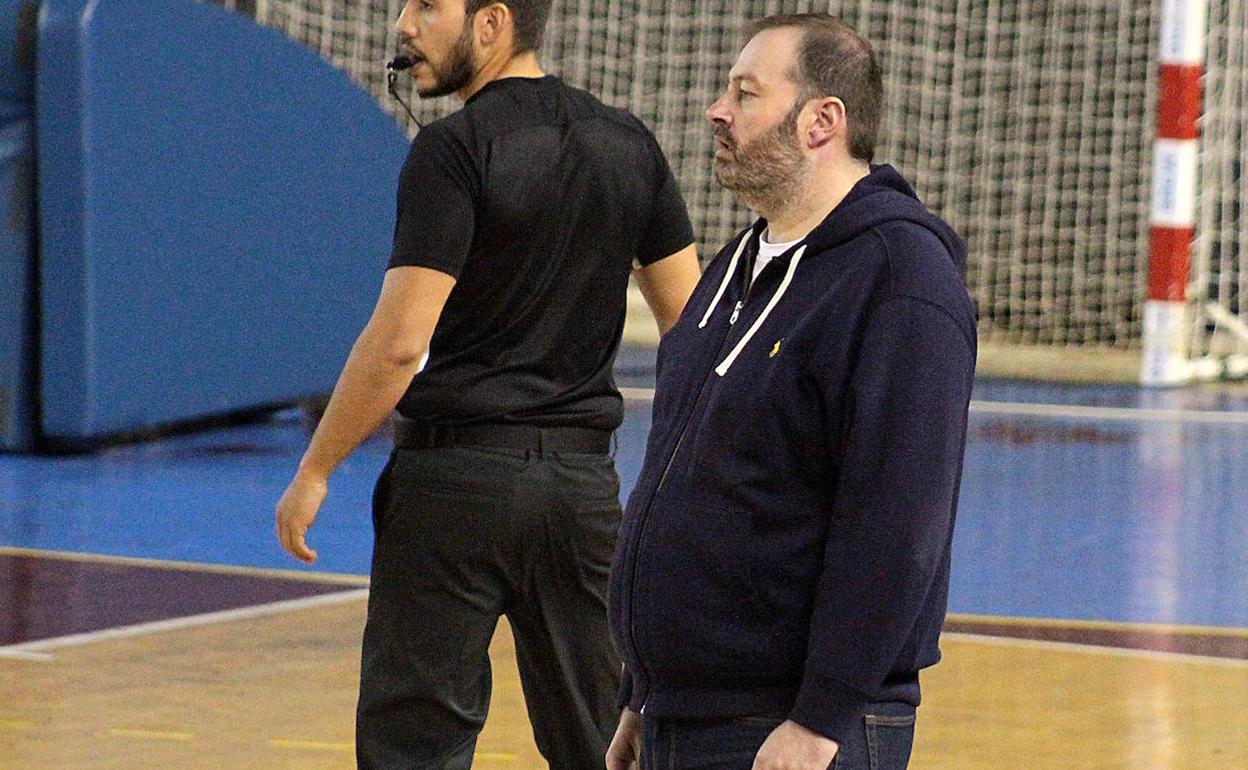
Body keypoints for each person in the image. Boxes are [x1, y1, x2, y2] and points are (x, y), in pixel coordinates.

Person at [274, 0, 701, 767]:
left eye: (427, 7)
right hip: (581, 493)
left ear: (492, 23)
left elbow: (401, 345)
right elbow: (693, 329)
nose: (405, 24)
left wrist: (316, 467)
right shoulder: (628, 143)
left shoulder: (453, 149)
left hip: (453, 491)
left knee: (416, 746)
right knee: (604, 743)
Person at [605, 13, 976, 770]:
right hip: (685, 711)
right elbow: (684, 472)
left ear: (821, 122)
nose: (717, 109)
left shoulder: (902, 278)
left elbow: (897, 521)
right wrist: (642, 690)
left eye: (745, 93)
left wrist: (822, 716)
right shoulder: (738, 264)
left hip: (795, 728)